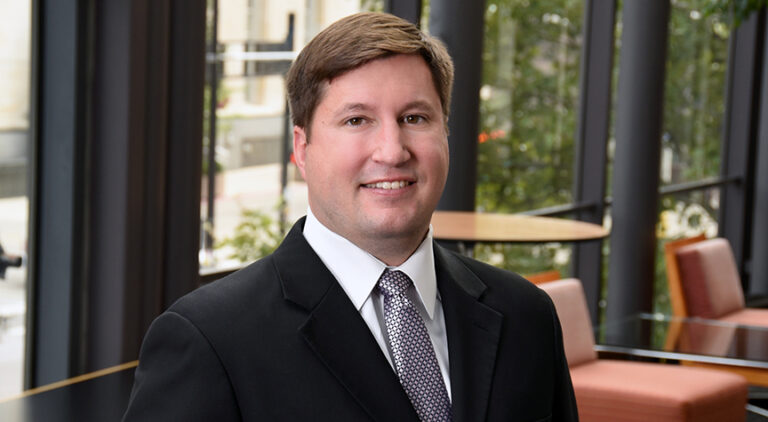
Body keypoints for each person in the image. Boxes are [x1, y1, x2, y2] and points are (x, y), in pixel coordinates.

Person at [122, 12, 577, 422]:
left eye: (415, 118)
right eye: (357, 120)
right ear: (302, 148)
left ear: (445, 134)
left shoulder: (526, 315)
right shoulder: (211, 340)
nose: (392, 151)